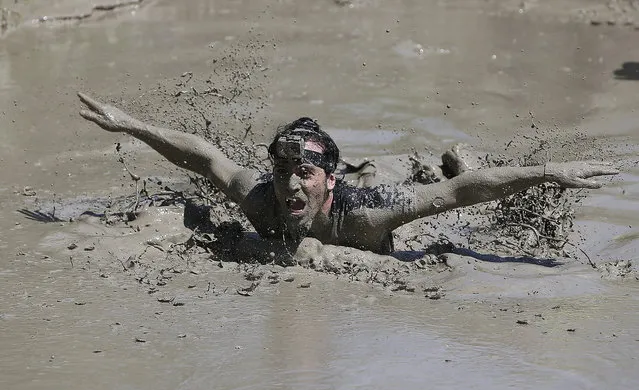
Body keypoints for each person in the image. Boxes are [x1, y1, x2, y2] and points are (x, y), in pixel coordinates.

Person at [78, 92, 619, 255]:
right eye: (283, 170)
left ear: (325, 179)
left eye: (305, 172)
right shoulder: (259, 198)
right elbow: (203, 157)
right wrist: (131, 125)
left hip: (369, 192)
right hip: (345, 188)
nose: (290, 183)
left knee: (425, 178)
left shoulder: (365, 222)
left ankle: (450, 149)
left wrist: (548, 172)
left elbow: (459, 193)